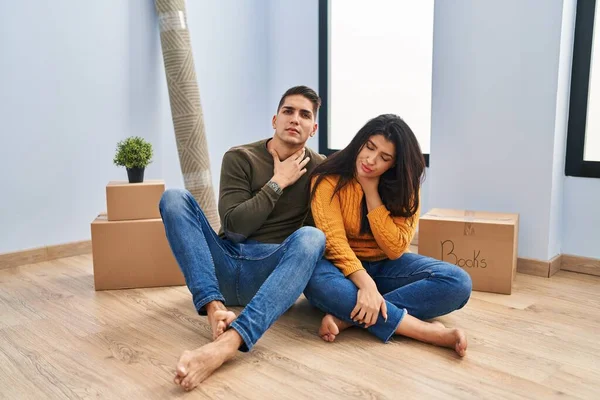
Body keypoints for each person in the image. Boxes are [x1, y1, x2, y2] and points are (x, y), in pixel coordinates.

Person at [159, 86, 326, 391]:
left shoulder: (321, 169)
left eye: (305, 115)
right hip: (223, 262)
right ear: (275, 119)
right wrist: (278, 183)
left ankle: (227, 344)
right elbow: (235, 227)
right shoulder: (240, 157)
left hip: (268, 273)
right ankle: (214, 309)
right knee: (173, 198)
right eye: (288, 111)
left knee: (313, 237)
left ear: (313, 128)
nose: (295, 119)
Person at [303, 114, 472, 356]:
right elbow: (334, 243)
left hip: (386, 266)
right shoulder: (327, 177)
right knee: (315, 282)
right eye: (369, 147)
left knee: (458, 283)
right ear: (360, 141)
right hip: (339, 267)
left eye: (384, 157)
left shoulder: (406, 184)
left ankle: (349, 318)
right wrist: (366, 284)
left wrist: (372, 191)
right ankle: (428, 332)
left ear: (394, 164)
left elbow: (395, 248)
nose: (371, 160)